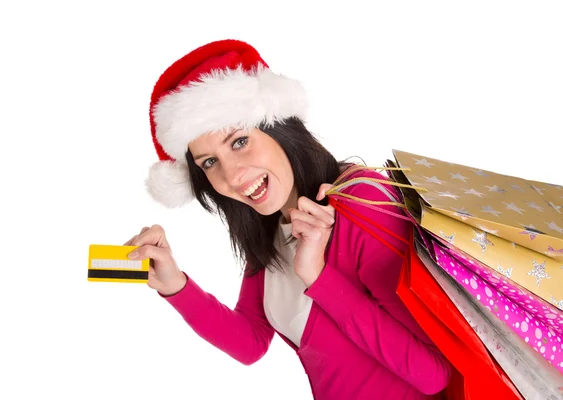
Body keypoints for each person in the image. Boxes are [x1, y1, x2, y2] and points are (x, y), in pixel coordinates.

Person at [125, 39, 452, 399]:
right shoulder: (269, 225)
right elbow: (251, 341)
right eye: (209, 162)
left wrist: (318, 276)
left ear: (279, 128)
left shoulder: (362, 202)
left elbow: (433, 374)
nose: (233, 176)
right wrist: (175, 284)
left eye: (238, 142)